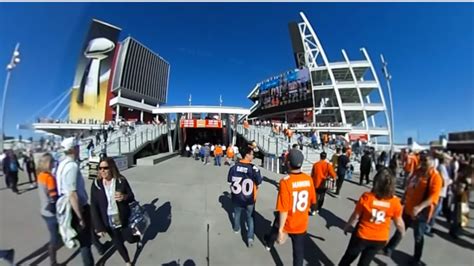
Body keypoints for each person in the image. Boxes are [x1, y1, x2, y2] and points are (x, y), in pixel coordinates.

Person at [382, 153, 443, 266]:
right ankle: (388, 249)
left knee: (418, 236)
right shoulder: (417, 171)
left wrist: (419, 207)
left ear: (432, 162)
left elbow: (433, 197)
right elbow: (410, 185)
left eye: (426, 160)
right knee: (400, 229)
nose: (423, 162)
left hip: (421, 213)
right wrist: (404, 198)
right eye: (422, 160)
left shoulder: (435, 177)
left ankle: (417, 259)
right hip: (408, 208)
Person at [339, 168, 405, 266]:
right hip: (380, 239)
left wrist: (347, 226)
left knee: (348, 257)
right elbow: (399, 223)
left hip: (362, 235)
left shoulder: (367, 197)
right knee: (365, 262)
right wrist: (402, 233)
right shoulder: (395, 202)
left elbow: (356, 216)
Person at [90, 157, 139, 266]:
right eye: (100, 168)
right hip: (108, 218)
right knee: (117, 241)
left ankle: (135, 238)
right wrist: (99, 227)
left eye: (105, 168)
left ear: (111, 168)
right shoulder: (96, 184)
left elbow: (131, 196)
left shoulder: (121, 180)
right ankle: (127, 261)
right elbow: (94, 206)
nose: (102, 170)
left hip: (122, 215)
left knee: (130, 238)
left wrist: (124, 196)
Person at [56, 137, 95, 265]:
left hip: (67, 204)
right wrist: (80, 217)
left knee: (85, 238)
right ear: (73, 149)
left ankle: (99, 247)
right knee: (85, 243)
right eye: (77, 147)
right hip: (77, 207)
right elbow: (72, 194)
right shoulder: (71, 166)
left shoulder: (62, 164)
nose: (79, 149)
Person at [274, 149, 316, 266]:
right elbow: (313, 200)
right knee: (298, 253)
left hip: (288, 222)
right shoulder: (308, 179)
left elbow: (283, 209)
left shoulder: (285, 182)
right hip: (301, 223)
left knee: (275, 227)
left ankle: (268, 241)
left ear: (288, 163)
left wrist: (281, 230)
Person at [227, 146, 262, 247]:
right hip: (249, 198)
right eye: (251, 154)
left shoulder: (233, 166)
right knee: (250, 218)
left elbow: (230, 181)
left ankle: (236, 228)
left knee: (236, 214)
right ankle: (250, 237)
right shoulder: (254, 168)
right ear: (247, 155)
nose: (253, 155)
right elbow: (259, 182)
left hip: (237, 197)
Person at [37, 153, 60, 266]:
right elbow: (54, 196)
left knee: (54, 233)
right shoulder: (49, 177)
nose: (53, 163)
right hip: (51, 211)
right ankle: (53, 262)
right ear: (48, 163)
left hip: (44, 210)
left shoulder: (40, 175)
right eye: (52, 162)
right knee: (54, 238)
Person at [425, 154, 452, 236]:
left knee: (436, 211)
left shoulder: (442, 167)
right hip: (440, 193)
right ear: (445, 159)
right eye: (448, 159)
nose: (449, 161)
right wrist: (451, 181)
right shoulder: (442, 168)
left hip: (441, 193)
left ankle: (428, 226)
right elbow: (444, 182)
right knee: (434, 211)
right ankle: (427, 227)